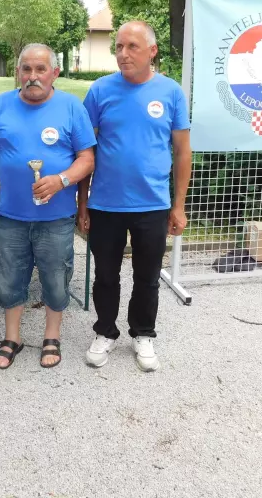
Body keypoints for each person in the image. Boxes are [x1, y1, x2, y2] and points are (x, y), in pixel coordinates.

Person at [78, 21, 191, 373]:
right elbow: (84, 151)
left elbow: (182, 151)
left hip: (153, 205)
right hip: (105, 204)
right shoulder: (100, 91)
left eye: (132, 47)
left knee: (147, 276)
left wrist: (179, 206)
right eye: (119, 47)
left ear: (152, 51)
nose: (123, 54)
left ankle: (143, 333)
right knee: (105, 275)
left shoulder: (171, 92)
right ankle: (105, 331)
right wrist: (82, 204)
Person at [0, 44, 95, 370]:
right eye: (26, 69)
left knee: (56, 277)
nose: (33, 76)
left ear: (54, 73)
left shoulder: (71, 107)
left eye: (41, 69)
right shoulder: (1, 105)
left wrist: (61, 180)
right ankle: (12, 337)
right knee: (8, 277)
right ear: (18, 72)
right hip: (10, 216)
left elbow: (87, 158)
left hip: (56, 217)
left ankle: (51, 336)